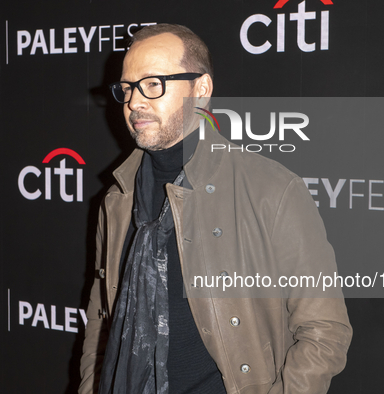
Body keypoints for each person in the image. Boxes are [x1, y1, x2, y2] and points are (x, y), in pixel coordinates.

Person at [79, 23, 352, 394]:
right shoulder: (117, 199)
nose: (134, 102)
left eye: (154, 83)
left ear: (201, 89)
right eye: (127, 88)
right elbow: (103, 317)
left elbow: (325, 332)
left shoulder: (271, 190)